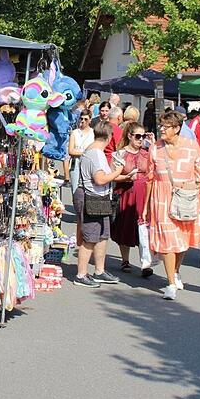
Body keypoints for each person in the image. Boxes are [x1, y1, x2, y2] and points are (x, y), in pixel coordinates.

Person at [142, 110, 200, 300]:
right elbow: (149, 178)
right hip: (161, 199)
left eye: (166, 127)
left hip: (186, 199)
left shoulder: (192, 147)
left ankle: (175, 272)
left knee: (182, 241)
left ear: (177, 128)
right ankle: (171, 284)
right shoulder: (155, 148)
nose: (162, 129)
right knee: (168, 243)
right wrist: (146, 206)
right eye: (161, 126)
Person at [72, 121, 123, 288]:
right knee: (90, 237)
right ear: (109, 137)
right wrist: (117, 172)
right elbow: (100, 179)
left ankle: (99, 271)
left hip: (98, 197)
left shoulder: (94, 151)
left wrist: (121, 174)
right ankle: (81, 274)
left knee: (102, 234)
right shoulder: (95, 154)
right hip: (91, 196)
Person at [112, 121, 153, 277]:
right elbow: (113, 175)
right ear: (130, 136)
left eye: (143, 136)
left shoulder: (147, 153)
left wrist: (153, 144)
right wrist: (126, 177)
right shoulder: (121, 154)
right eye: (138, 136)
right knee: (126, 227)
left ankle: (145, 263)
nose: (141, 139)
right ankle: (125, 260)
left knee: (144, 228)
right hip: (127, 193)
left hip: (144, 193)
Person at [68, 111, 94, 202]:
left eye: (86, 119)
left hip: (88, 163)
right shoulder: (74, 133)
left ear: (90, 120)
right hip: (75, 162)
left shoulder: (93, 133)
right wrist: (84, 153)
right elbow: (71, 151)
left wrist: (81, 153)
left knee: (87, 187)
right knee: (75, 188)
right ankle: (77, 208)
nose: (83, 121)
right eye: (81, 118)